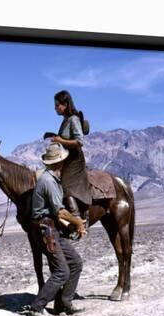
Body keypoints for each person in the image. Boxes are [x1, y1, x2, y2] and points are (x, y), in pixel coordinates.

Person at [28, 143, 86, 316]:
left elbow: (56, 213)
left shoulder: (52, 179)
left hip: (53, 229)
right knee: (62, 271)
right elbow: (60, 211)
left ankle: (64, 302)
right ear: (59, 163)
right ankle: (36, 307)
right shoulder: (48, 182)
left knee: (75, 263)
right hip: (46, 231)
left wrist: (69, 226)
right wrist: (77, 223)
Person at [47, 90, 92, 236]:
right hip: (65, 157)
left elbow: (79, 141)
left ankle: (77, 219)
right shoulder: (65, 120)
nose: (55, 108)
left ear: (65, 104)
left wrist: (60, 140)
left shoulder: (73, 119)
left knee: (65, 184)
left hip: (75, 159)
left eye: (57, 105)